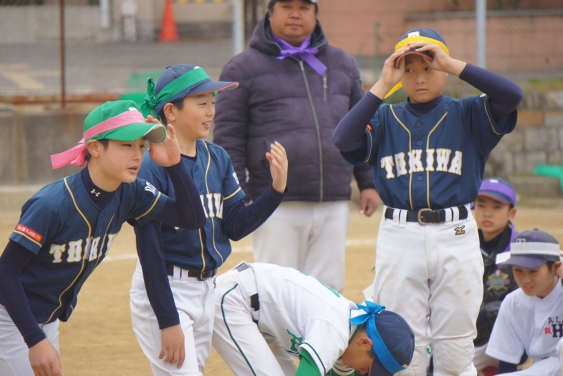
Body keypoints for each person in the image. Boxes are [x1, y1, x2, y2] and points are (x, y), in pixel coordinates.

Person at [332, 27, 523, 375]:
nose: (419, 77)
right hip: (399, 234)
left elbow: (512, 95)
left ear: (443, 69)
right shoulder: (384, 118)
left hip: (457, 232)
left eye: (429, 67)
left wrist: (453, 65)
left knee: (455, 348)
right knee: (405, 344)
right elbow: (343, 138)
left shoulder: (469, 114)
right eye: (409, 70)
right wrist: (381, 86)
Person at [0, 99, 206, 376]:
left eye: (141, 146)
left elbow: (192, 219)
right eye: (126, 145)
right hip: (11, 318)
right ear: (95, 148)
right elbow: (6, 271)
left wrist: (174, 165)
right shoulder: (53, 204)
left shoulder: (130, 192)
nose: (138, 155)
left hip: (42, 320)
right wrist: (34, 340)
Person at [130, 64, 288, 375]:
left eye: (213, 102)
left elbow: (235, 226)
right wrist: (167, 319)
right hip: (165, 289)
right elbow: (150, 253)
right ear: (171, 111)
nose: (211, 111)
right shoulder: (151, 166)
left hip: (208, 289)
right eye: (201, 102)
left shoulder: (217, 157)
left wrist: (276, 191)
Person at [213, 0, 380, 293]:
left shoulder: (343, 63)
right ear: (270, 11)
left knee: (327, 290)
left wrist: (367, 181)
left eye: (304, 7)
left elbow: (361, 128)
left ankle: (317, 342)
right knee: (277, 290)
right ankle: (278, 342)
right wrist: (236, 193)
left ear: (315, 14)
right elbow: (229, 137)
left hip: (334, 199)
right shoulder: (242, 67)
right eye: (286, 5)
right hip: (272, 201)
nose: (295, 13)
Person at [212, 262, 415, 376]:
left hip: (258, 314)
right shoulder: (335, 330)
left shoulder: (350, 337)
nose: (363, 373)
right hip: (234, 300)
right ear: (364, 342)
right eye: (368, 368)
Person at [486, 229, 563, 375]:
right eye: (518, 270)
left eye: (533, 271)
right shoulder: (513, 302)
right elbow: (506, 365)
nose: (524, 280)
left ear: (555, 267)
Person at [473, 177, 519, 373]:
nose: (488, 213)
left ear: (512, 212)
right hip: (464, 336)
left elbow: (521, 304)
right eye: (481, 205)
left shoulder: (520, 252)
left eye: (497, 207)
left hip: (502, 339)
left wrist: (478, 312)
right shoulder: (461, 243)